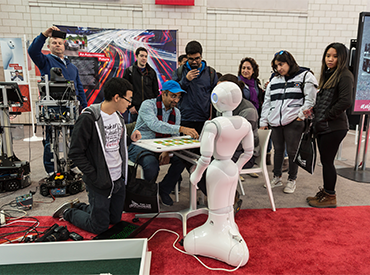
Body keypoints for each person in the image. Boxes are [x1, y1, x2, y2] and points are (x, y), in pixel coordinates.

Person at [52, 77, 141, 234]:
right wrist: (95, 176)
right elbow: (76, 152)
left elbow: (113, 143)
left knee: (114, 220)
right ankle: (68, 212)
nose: (129, 104)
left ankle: (81, 206)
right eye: (128, 99)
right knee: (99, 227)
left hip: (117, 179)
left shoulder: (118, 116)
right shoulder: (89, 118)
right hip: (100, 181)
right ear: (116, 97)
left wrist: (129, 138)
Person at [184, 81, 254, 267]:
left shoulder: (213, 124)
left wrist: (196, 175)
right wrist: (236, 168)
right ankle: (227, 229)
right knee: (227, 207)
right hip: (231, 168)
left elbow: (205, 157)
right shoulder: (245, 123)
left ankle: (218, 232)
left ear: (216, 99)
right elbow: (248, 152)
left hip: (216, 169)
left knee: (217, 208)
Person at [28, 26, 88, 175]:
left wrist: (84, 108)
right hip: (52, 108)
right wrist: (43, 35)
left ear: (64, 45)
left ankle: (72, 165)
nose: (57, 45)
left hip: (71, 109)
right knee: (51, 141)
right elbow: (32, 51)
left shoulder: (72, 67)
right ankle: (51, 170)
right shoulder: (45, 61)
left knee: (74, 140)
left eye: (60, 43)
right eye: (54, 43)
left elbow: (79, 88)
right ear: (49, 46)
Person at [128, 80, 199, 206]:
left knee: (182, 159)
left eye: (178, 97)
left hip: (162, 147)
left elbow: (175, 137)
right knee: (151, 165)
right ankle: (148, 195)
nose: (176, 100)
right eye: (173, 96)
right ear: (163, 94)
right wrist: (181, 128)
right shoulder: (148, 105)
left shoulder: (176, 112)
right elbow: (155, 125)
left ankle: (163, 189)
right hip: (141, 145)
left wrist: (167, 151)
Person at [260, 50, 318, 194]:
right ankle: (277, 177)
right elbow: (267, 102)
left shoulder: (305, 76)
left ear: (289, 62)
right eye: (276, 66)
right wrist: (264, 120)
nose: (279, 68)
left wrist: (300, 116)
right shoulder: (274, 80)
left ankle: (292, 180)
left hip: (294, 122)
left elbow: (310, 100)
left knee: (293, 152)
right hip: (275, 122)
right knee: (278, 151)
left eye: (281, 64)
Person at [306, 42, 353, 208]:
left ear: (342, 58)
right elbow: (326, 100)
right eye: (328, 56)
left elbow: (346, 101)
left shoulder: (344, 75)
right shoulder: (329, 74)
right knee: (326, 161)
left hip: (334, 127)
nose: (330, 59)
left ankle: (330, 196)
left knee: (327, 162)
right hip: (325, 126)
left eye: (334, 56)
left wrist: (325, 116)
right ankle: (326, 193)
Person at [172, 40, 218, 134]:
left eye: (197, 58)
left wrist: (214, 117)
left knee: (203, 148)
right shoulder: (179, 72)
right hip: (185, 118)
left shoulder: (210, 73)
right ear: (186, 57)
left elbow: (216, 96)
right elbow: (173, 92)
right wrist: (186, 80)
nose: (194, 61)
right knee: (184, 148)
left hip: (204, 119)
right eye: (190, 59)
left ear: (201, 56)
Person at [122, 47, 159, 122]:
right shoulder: (129, 71)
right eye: (141, 56)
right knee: (134, 131)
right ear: (136, 57)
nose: (144, 58)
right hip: (135, 110)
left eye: (145, 56)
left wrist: (153, 106)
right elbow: (124, 90)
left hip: (149, 110)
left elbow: (155, 92)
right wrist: (130, 106)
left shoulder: (152, 72)